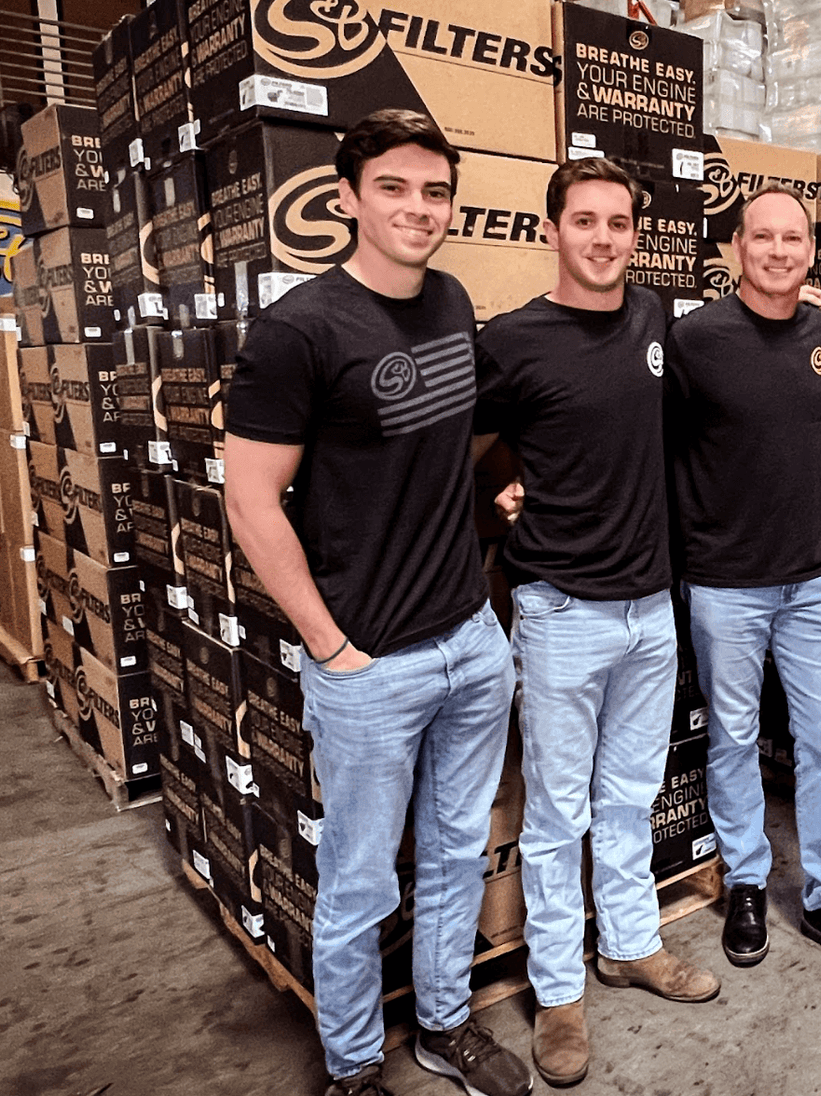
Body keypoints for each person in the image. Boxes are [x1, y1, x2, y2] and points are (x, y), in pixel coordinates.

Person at [224, 110, 532, 1096]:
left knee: (456, 854)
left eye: (435, 191)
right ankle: (355, 1065)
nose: (418, 208)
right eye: (392, 187)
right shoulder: (299, 329)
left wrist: (499, 488)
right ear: (346, 198)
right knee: (360, 881)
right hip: (369, 664)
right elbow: (249, 502)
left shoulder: (449, 301)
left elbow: (440, 445)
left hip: (471, 642)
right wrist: (330, 646)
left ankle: (444, 1026)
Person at [472, 157, 719, 1089]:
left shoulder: (653, 316)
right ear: (553, 231)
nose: (604, 238)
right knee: (555, 815)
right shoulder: (512, 340)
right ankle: (558, 992)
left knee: (629, 795)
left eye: (619, 223)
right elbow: (455, 453)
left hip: (651, 608)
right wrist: (498, 497)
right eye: (585, 221)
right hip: (560, 610)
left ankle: (628, 944)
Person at [664, 182, 821, 981]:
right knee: (733, 740)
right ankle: (748, 883)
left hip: (812, 579)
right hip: (724, 582)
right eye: (763, 237)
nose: (779, 251)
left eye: (794, 239)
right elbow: (653, 445)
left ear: (810, 253)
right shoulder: (694, 339)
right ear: (735, 249)